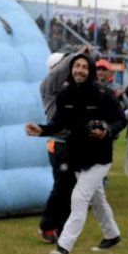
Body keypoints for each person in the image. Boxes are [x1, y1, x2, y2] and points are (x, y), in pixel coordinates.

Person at [25, 52, 125, 254]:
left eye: (84, 67)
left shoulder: (103, 94)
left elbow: (120, 119)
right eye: (76, 66)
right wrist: (41, 130)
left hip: (100, 158)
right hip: (78, 157)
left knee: (79, 197)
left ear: (90, 72)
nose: (79, 70)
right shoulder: (65, 94)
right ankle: (112, 235)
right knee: (98, 199)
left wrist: (107, 130)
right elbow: (58, 124)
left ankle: (63, 247)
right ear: (71, 69)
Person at [37, 50, 77, 243]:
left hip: (68, 143)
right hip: (58, 143)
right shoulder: (49, 86)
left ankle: (60, 227)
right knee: (62, 186)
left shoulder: (66, 89)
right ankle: (47, 225)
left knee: (68, 186)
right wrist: (78, 54)